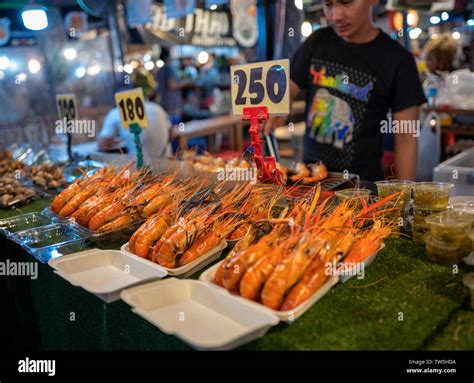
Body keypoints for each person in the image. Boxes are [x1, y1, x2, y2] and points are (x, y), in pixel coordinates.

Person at [264, 0, 427, 181]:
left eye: (346, 3)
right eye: (328, 5)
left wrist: (405, 198)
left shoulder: (398, 60)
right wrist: (277, 107)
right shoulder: (316, 43)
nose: (336, 16)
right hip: (309, 180)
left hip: (362, 187)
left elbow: (406, 137)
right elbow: (287, 90)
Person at [98, 86, 172, 158]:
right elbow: (171, 134)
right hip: (166, 161)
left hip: (137, 166)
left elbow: (102, 145)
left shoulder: (115, 112)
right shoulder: (157, 108)